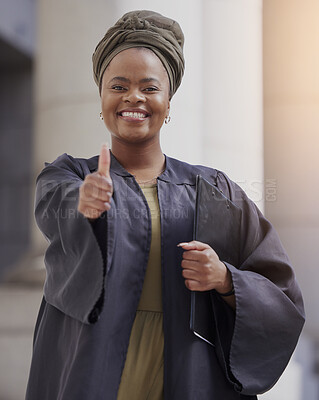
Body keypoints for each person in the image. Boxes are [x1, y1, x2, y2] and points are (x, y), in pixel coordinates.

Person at [26, 10, 305, 400]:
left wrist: (225, 279)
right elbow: (55, 203)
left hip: (188, 374)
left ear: (168, 102)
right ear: (102, 98)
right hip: (95, 369)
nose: (133, 97)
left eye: (149, 87)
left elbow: (282, 294)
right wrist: (84, 201)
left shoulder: (214, 189)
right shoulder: (70, 175)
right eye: (118, 86)